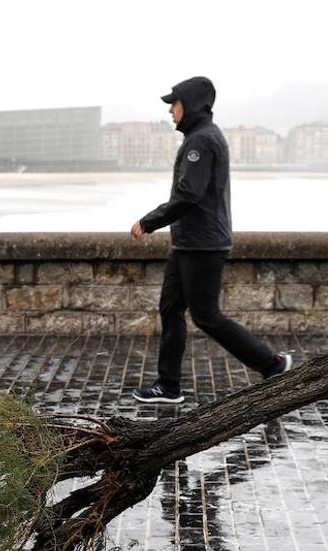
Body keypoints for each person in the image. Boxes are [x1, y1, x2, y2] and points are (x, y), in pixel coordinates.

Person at [129, 76, 291, 404]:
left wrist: (149, 222)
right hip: (190, 242)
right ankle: (168, 385)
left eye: (174, 104)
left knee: (206, 316)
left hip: (203, 244)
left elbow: (189, 195)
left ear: (190, 104)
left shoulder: (201, 141)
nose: (171, 111)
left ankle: (272, 364)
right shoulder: (199, 138)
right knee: (171, 308)